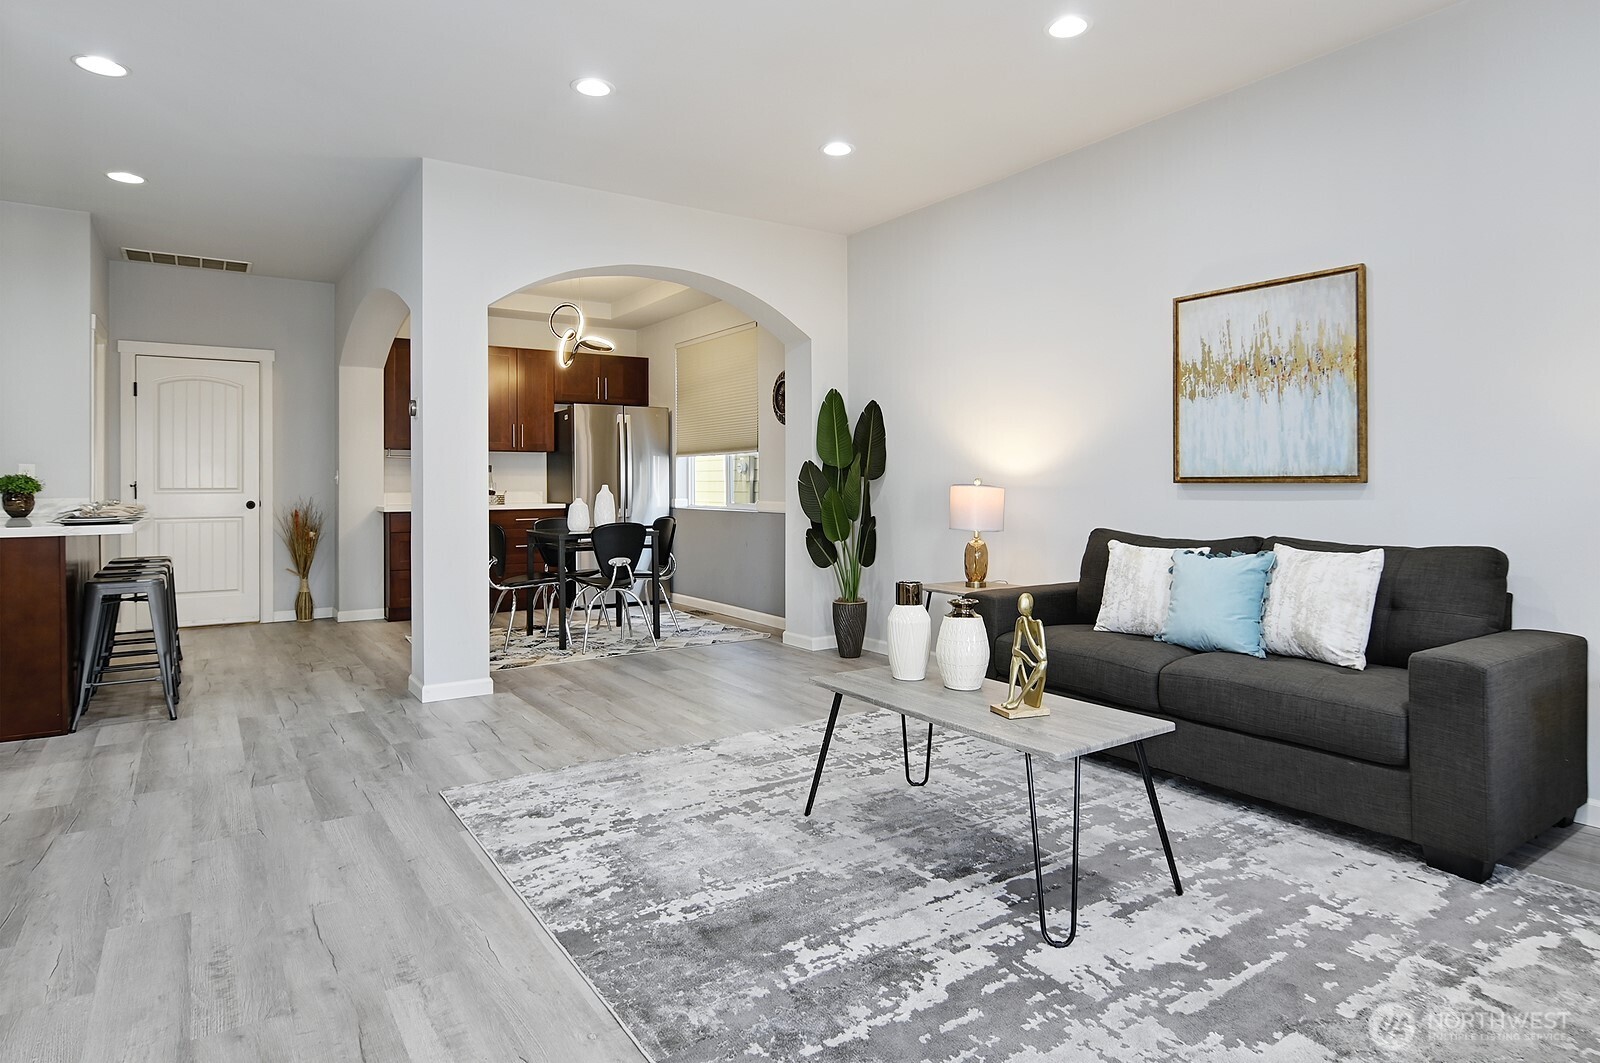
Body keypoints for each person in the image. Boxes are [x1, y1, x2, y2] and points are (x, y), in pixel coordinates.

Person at [994, 593, 1048, 717]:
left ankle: (1018, 701)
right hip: (1030, 661)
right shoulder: (1020, 621)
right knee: (1015, 658)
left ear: (1030, 608)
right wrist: (1028, 660)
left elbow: (1042, 656)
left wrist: (1027, 633)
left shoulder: (1037, 624)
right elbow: (1014, 649)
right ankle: (1011, 697)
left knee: (1042, 665)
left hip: (1040, 670)